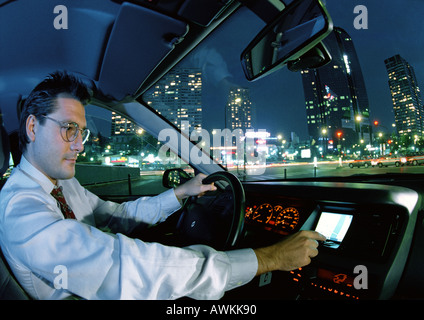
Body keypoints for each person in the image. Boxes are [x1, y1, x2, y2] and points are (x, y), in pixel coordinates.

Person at [0, 71, 325, 300]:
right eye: (70, 128)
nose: (80, 145)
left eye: (82, 132)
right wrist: (268, 259)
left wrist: (182, 193)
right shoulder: (21, 209)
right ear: (32, 126)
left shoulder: (62, 187)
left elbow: (117, 216)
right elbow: (127, 265)